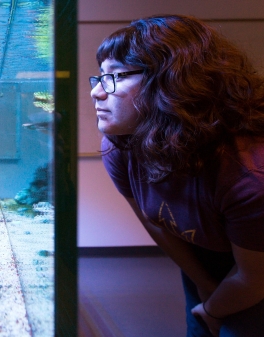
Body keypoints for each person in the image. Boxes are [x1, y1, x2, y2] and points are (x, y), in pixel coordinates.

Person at [90, 15, 264, 337]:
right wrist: (205, 285)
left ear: (171, 81)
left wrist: (212, 308)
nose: (97, 93)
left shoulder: (247, 176)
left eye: (114, 76)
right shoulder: (120, 148)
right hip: (204, 256)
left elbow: (254, 279)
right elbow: (154, 220)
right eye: (99, 77)